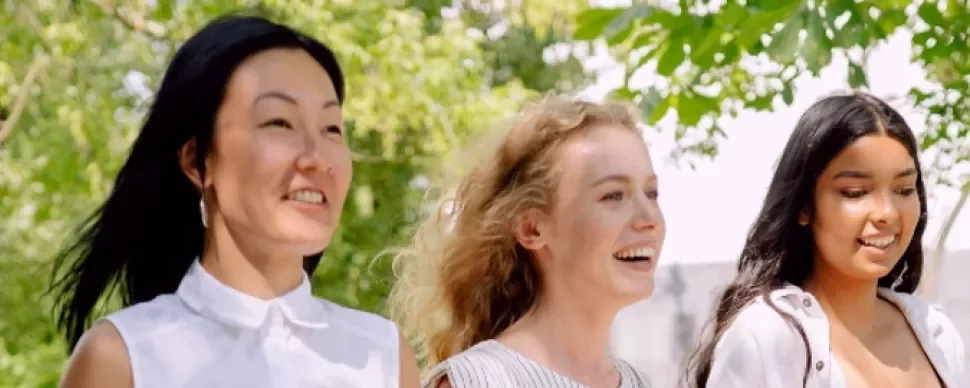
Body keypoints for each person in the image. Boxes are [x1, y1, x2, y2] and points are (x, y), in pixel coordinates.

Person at [50, 14, 420, 388]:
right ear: (196, 160)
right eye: (279, 122)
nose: (317, 157)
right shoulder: (122, 357)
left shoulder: (382, 355)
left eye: (331, 128)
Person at [685, 92, 966, 388]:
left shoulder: (936, 333)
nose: (887, 212)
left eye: (905, 189)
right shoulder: (767, 338)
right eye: (855, 192)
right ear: (804, 206)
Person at [387, 97, 661, 387]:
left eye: (652, 193)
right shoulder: (478, 381)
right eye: (613, 196)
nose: (649, 218)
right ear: (531, 229)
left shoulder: (639, 383)